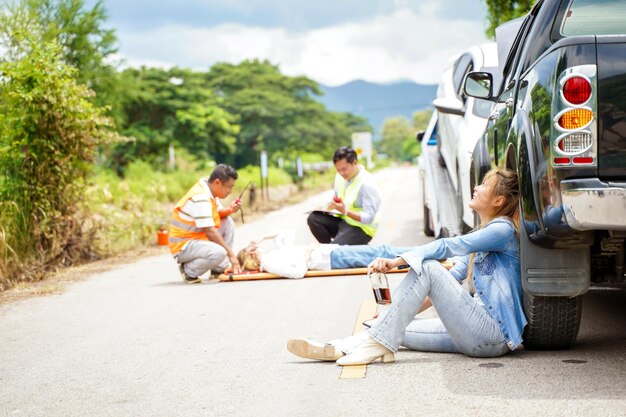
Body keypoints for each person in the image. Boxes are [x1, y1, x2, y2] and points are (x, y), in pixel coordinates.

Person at [288, 168, 527, 365]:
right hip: (473, 332)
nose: (476, 187)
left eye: (484, 184)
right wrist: (396, 311)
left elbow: (448, 245)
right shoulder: (485, 235)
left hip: (491, 334)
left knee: (429, 268)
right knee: (387, 324)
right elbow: (451, 279)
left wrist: (397, 261)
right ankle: (337, 348)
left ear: (498, 200)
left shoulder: (502, 230)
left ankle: (375, 344)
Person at [169, 164, 242, 284]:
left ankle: (218, 269)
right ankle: (189, 271)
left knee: (227, 222)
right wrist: (231, 256)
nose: (230, 191)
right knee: (220, 252)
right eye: (229, 187)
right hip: (183, 246)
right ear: (217, 182)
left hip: (198, 239)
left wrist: (230, 210)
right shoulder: (201, 197)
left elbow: (218, 214)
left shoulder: (210, 191)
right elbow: (210, 230)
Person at [237, 233, 413, 279]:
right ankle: (429, 252)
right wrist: (308, 251)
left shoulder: (271, 255)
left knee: (382, 252)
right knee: (381, 253)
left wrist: (262, 237)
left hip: (330, 253)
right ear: (250, 253)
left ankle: (426, 253)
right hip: (330, 258)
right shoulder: (268, 262)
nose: (258, 246)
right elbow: (297, 272)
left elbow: (286, 235)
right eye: (254, 247)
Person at [307, 146, 381, 245]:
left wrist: (345, 211)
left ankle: (340, 249)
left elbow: (368, 218)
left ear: (355, 163)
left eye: (344, 169)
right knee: (314, 218)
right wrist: (325, 207)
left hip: (362, 229)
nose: (341, 173)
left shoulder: (367, 183)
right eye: (338, 170)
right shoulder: (339, 177)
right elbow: (337, 198)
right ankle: (333, 249)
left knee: (334, 251)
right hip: (344, 221)